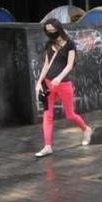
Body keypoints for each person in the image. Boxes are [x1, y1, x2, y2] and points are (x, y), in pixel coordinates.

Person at [34, 19, 93, 157]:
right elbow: (46, 65)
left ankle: (86, 129)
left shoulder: (70, 44)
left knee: (70, 114)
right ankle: (47, 146)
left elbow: (69, 65)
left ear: (59, 29)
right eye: (48, 31)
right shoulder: (49, 44)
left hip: (63, 84)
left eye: (53, 30)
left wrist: (59, 78)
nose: (51, 33)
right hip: (48, 84)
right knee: (47, 115)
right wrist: (39, 82)